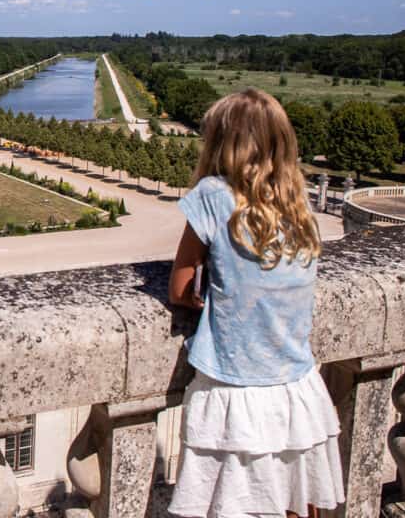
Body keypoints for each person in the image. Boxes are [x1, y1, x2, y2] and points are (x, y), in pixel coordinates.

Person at [167, 89, 344, 518]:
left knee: (231, 505)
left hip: (237, 382)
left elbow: (179, 287)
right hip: (296, 384)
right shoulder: (298, 203)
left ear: (220, 142)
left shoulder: (212, 194)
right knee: (296, 502)